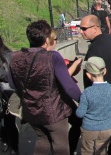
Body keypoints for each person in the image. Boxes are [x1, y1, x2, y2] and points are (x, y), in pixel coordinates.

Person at [9, 20, 81, 154]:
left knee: (42, 140)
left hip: (31, 111)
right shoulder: (52, 57)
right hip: (54, 113)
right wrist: (83, 101)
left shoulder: (15, 57)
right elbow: (69, 87)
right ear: (47, 39)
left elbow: (13, 84)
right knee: (60, 145)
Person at [80, 15, 111, 154]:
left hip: (100, 99)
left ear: (95, 28)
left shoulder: (94, 48)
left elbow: (90, 77)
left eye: (83, 29)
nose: (81, 32)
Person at [76, 57, 111, 155]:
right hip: (106, 128)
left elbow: (80, 114)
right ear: (105, 71)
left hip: (88, 129)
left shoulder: (87, 92)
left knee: (86, 151)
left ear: (88, 75)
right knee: (102, 151)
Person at [47, 29, 83, 155]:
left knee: (45, 137)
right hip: (58, 100)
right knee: (76, 122)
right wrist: (82, 99)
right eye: (56, 39)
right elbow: (65, 79)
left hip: (43, 103)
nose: (57, 41)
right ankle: (70, 149)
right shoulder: (53, 56)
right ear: (49, 41)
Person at [0, 29, 18, 154]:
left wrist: (0, 73)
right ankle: (4, 137)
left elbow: (15, 76)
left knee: (10, 124)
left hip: (6, 95)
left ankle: (14, 148)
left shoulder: (8, 55)